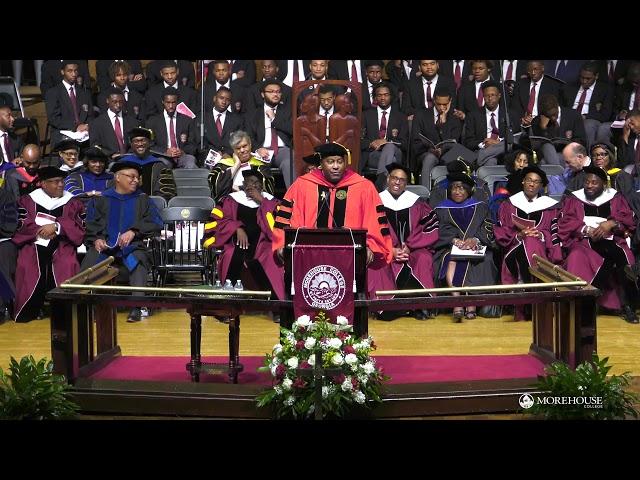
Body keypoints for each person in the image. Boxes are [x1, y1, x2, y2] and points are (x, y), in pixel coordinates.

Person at [272, 142, 393, 292]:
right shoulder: (302, 186)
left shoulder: (363, 187)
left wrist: (370, 246)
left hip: (350, 259)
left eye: (339, 161)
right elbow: (286, 219)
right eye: (330, 162)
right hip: (309, 257)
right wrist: (282, 244)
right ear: (321, 164)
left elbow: (374, 221)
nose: (336, 166)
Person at [81, 161, 162, 322]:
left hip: (132, 247)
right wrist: (97, 239)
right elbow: (90, 223)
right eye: (131, 177)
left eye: (137, 178)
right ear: (118, 178)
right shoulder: (102, 199)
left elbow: (156, 222)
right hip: (105, 248)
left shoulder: (143, 199)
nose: (135, 180)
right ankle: (93, 307)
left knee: (138, 262)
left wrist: (134, 231)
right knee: (90, 263)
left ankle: (136, 307)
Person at [558, 165, 638, 323]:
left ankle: (628, 305)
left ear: (604, 184)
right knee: (597, 257)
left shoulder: (615, 197)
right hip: (584, 239)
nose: (589, 186)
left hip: (611, 238)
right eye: (587, 182)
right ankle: (589, 304)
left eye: (594, 183)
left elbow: (627, 219)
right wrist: (585, 229)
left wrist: (612, 223)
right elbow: (566, 221)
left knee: (623, 258)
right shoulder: (574, 198)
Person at [12, 166, 85, 322]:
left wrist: (57, 227)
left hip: (63, 243)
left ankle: (64, 313)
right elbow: (21, 223)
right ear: (43, 184)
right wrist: (40, 230)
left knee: (66, 263)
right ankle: (31, 309)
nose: (61, 185)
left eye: (62, 181)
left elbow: (79, 226)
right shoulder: (28, 200)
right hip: (34, 242)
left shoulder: (72, 202)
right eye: (55, 182)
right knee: (27, 264)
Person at [203, 169, 285, 307]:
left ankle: (276, 306)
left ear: (262, 186)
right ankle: (228, 305)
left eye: (256, 183)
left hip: (262, 245)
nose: (252, 186)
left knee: (271, 258)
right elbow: (217, 222)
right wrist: (237, 228)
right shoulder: (230, 200)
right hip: (236, 244)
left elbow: (278, 226)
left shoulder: (272, 202)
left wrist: (262, 201)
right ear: (243, 184)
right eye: (249, 182)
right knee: (232, 254)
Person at [368, 163, 439, 320]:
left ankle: (422, 306)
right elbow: (371, 230)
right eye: (394, 178)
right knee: (377, 264)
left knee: (423, 258)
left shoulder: (417, 203)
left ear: (406, 183)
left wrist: (410, 246)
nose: (397, 182)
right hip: (385, 249)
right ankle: (386, 308)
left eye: (402, 180)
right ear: (388, 179)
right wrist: (391, 249)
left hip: (413, 249)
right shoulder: (376, 201)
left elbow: (430, 228)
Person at [494, 165, 562, 320]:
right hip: (514, 249)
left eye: (536, 182)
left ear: (541, 186)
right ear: (523, 182)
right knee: (528, 240)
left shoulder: (550, 207)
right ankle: (534, 297)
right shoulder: (509, 205)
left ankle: (523, 297)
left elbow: (554, 232)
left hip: (542, 250)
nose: (532, 184)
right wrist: (519, 235)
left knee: (532, 240)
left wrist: (541, 234)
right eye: (529, 180)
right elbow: (502, 231)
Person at [433, 171, 497, 322]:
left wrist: (475, 239)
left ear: (468, 190)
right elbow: (438, 229)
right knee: (451, 259)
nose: (457, 191)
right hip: (450, 247)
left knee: (479, 260)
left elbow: (488, 226)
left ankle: (471, 305)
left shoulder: (480, 207)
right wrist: (454, 240)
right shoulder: (441, 209)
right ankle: (458, 303)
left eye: (461, 188)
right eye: (454, 188)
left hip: (477, 246)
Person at [360, 83, 409, 191]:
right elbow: (359, 140)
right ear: (375, 97)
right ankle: (385, 188)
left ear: (391, 96)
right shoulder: (366, 115)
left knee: (390, 147)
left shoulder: (400, 116)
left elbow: (404, 143)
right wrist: (371, 143)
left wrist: (386, 141)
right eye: (379, 95)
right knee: (391, 159)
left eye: (386, 95)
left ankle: (380, 183)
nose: (382, 98)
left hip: (396, 152)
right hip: (373, 155)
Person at [208, 130, 274, 203]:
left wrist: (239, 188)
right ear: (233, 150)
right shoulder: (224, 164)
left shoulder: (260, 165)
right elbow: (217, 187)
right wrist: (236, 165)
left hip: (255, 205)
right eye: (238, 148)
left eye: (244, 146)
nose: (242, 150)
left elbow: (266, 190)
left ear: (250, 145)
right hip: (230, 205)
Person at [44, 60, 93, 147]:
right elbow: (53, 119)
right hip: (63, 132)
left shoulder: (84, 93)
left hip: (84, 133)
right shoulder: (53, 93)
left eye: (75, 71)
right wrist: (76, 127)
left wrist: (87, 126)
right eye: (69, 71)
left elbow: (90, 115)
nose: (73, 74)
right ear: (62, 72)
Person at [146, 87, 198, 169]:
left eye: (173, 102)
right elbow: (150, 145)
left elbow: (193, 143)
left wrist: (182, 151)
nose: (171, 106)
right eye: (168, 102)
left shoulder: (187, 120)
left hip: (182, 155)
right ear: (162, 102)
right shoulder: (152, 121)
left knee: (190, 161)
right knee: (162, 164)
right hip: (163, 156)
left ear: (177, 102)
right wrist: (165, 151)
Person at [115, 127, 165, 196]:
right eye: (136, 141)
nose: (140, 144)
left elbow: (164, 192)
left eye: (143, 140)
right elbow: (116, 189)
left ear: (149, 143)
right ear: (131, 144)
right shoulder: (121, 164)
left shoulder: (159, 165)